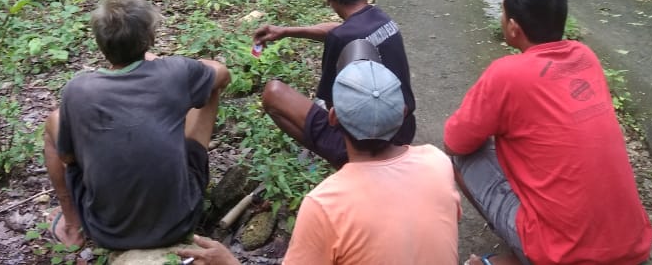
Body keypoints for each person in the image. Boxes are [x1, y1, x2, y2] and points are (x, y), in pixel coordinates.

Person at [444, 0, 652, 265]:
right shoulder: (585, 56)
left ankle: (523, 251)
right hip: (632, 246)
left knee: (461, 157)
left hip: (560, 254)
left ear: (514, 28)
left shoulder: (506, 74)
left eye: (503, 13)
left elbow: (455, 141)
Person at [176, 61, 460, 265]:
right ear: (402, 113)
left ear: (333, 118)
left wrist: (228, 262)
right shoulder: (437, 162)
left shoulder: (326, 204)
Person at [43, 0, 231, 251]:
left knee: (54, 122)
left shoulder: (78, 89)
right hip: (181, 222)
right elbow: (221, 72)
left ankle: (72, 225)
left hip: (107, 232)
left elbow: (68, 158)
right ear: (149, 38)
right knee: (209, 87)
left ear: (101, 44)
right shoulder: (175, 72)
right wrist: (162, 65)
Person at [254, 0, 417, 168]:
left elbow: (334, 108)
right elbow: (342, 30)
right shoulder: (382, 19)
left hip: (366, 147)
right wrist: (286, 31)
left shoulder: (340, 39)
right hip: (404, 129)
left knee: (273, 93)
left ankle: (348, 163)